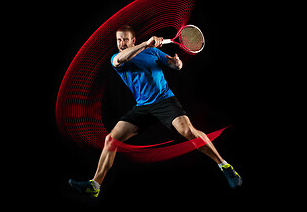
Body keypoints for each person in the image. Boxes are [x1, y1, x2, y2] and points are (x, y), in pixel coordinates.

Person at [69, 25, 242, 198]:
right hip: (142, 106)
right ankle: (95, 185)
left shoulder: (153, 52)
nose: (121, 43)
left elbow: (173, 64)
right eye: (119, 40)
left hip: (164, 101)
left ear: (133, 40)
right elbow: (120, 59)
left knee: (189, 131)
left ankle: (225, 166)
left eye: (125, 39)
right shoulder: (117, 57)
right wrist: (146, 44)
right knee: (111, 140)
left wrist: (176, 64)